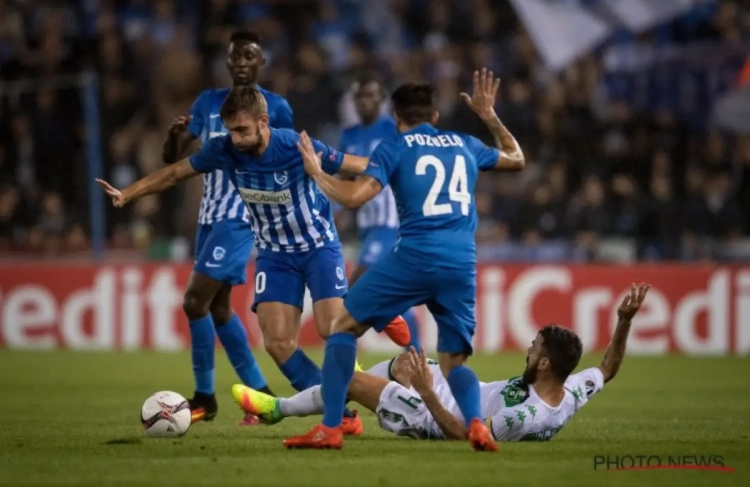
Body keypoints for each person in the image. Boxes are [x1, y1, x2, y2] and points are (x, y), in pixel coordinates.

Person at [96, 86, 411, 436]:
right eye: (230, 129)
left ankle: (375, 309)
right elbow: (173, 173)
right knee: (277, 343)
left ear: (264, 122)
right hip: (275, 255)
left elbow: (355, 166)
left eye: (242, 130)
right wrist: (128, 193)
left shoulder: (294, 144)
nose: (235, 138)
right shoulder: (224, 149)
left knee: (330, 330)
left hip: (318, 247)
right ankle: (343, 412)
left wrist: (401, 169)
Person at [284, 68, 526, 451]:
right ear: (435, 116)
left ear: (395, 118)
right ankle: (478, 425)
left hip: (415, 256)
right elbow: (516, 158)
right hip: (462, 262)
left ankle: (331, 428)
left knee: (341, 328)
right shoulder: (465, 143)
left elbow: (352, 198)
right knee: (454, 361)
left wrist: (316, 172)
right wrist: (489, 115)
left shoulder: (393, 147)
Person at [233, 283, 650, 443]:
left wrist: (429, 393)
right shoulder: (573, 389)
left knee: (353, 383)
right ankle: (347, 407)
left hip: (438, 416)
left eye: (533, 347)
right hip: (455, 394)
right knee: (402, 362)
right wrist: (624, 321)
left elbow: (464, 436)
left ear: (543, 365)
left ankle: (278, 409)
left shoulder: (524, 416)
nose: (527, 348)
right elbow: (608, 368)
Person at [159, 30, 293, 426]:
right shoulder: (207, 102)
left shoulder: (278, 106)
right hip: (209, 215)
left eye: (249, 56)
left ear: (261, 62)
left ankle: (205, 397)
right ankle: (263, 396)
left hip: (242, 216)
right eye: (234, 56)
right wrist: (173, 137)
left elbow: (286, 157)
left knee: (193, 302)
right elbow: (174, 158)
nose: (240, 63)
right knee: (218, 308)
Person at [338, 73, 421, 352]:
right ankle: (416, 351)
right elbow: (345, 177)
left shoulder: (393, 131)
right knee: (384, 294)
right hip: (367, 226)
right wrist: (339, 207)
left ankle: (345, 360)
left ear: (382, 100)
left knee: (357, 284)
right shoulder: (348, 135)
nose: (366, 101)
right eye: (361, 96)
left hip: (391, 224)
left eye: (372, 95)